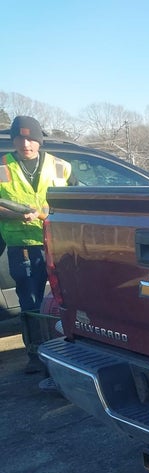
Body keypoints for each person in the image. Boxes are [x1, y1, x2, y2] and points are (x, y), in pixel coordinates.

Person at [0, 115, 75, 373]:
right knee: (30, 303)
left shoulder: (62, 167)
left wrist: (43, 212)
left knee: (66, 299)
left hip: (57, 244)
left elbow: (75, 203)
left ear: (39, 140)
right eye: (20, 138)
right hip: (22, 246)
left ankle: (70, 348)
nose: (26, 144)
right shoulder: (2, 166)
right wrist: (14, 214)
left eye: (31, 138)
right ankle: (35, 355)